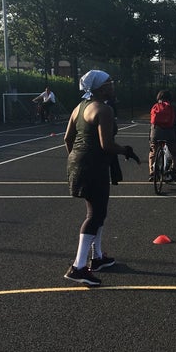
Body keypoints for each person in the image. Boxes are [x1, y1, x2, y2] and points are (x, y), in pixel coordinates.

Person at [63, 70, 140, 286]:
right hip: (93, 164)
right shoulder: (103, 110)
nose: (113, 86)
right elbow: (106, 144)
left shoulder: (79, 108)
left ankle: (97, 258)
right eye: (110, 83)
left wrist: (75, 160)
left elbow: (67, 138)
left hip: (82, 162)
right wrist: (126, 150)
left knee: (98, 211)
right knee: (95, 215)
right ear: (101, 88)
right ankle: (78, 267)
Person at [149, 90, 176, 182]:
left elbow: (152, 120)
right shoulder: (173, 106)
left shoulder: (155, 106)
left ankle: (152, 172)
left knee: (153, 152)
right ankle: (174, 171)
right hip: (170, 133)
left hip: (155, 133)